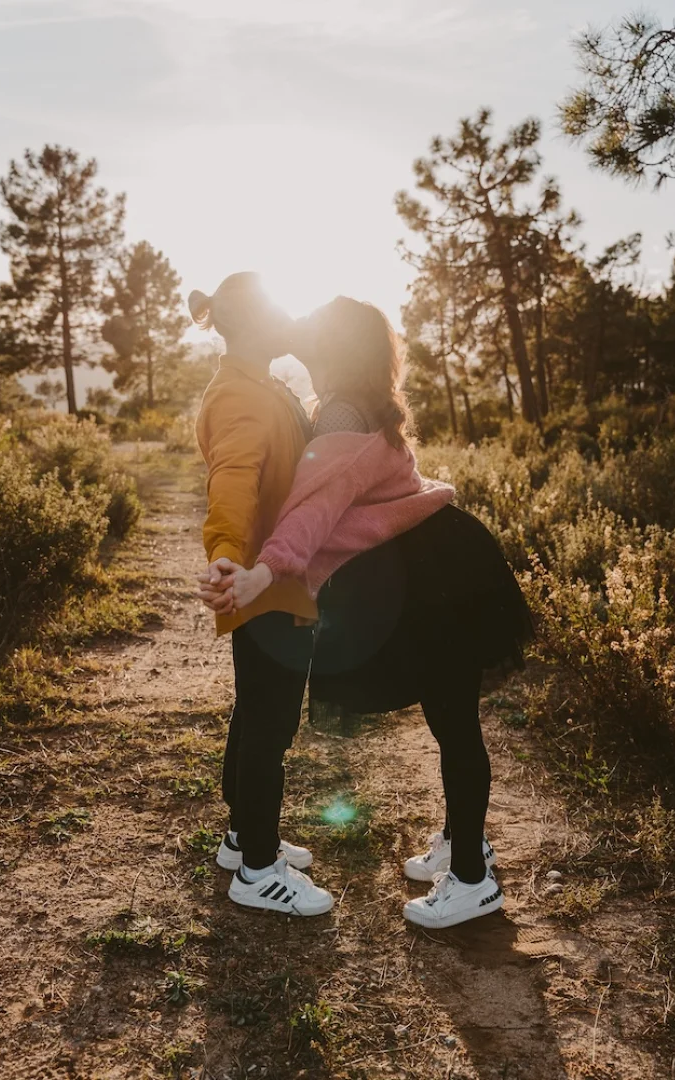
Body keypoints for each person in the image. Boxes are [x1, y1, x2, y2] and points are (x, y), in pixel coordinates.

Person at [207, 297, 534, 930]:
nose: (298, 326)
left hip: (443, 580)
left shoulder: (344, 414)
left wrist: (266, 569)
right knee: (453, 718)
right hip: (442, 569)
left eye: (314, 326)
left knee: (455, 722)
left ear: (336, 348)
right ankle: (462, 844)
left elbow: (313, 506)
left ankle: (471, 875)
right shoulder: (352, 403)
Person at [190, 272, 334, 917]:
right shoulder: (241, 397)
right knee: (271, 725)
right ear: (251, 325)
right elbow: (233, 479)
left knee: (253, 713)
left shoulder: (258, 383)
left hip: (272, 576)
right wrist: (225, 555)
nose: (288, 319)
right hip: (262, 579)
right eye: (277, 311)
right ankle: (256, 870)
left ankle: (243, 835)